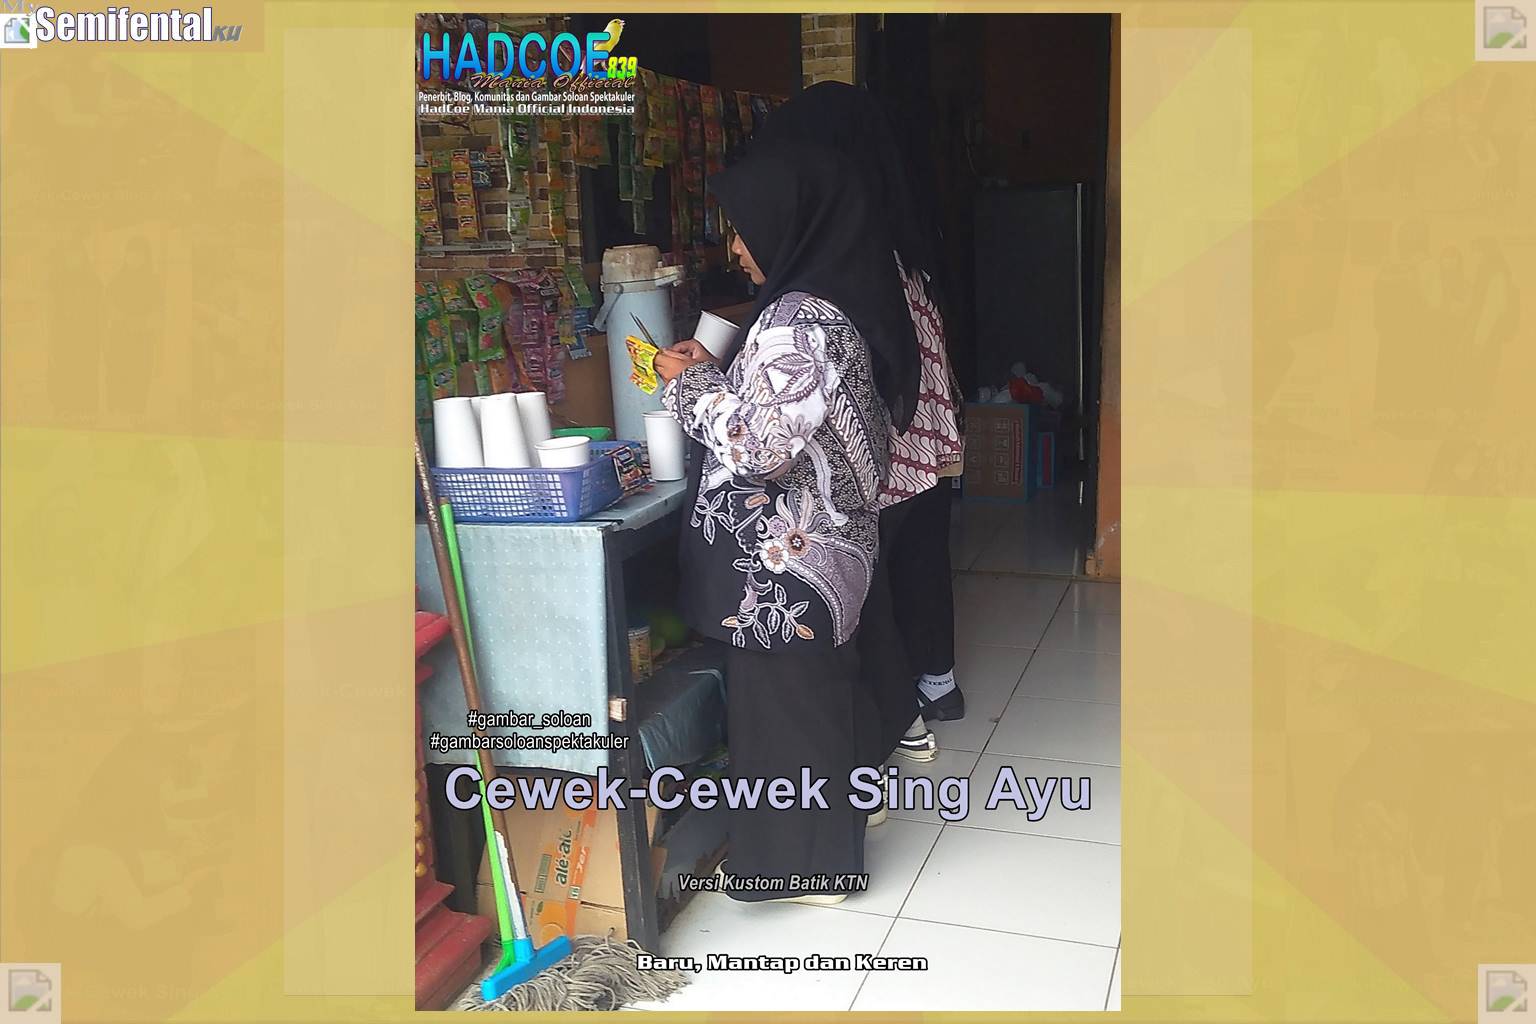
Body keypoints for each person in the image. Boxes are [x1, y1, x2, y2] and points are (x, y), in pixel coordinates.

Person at [654, 137, 920, 906]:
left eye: (743, 230)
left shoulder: (797, 322)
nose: (736, 249)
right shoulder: (831, 301)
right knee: (817, 704)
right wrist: (715, 375)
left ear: (786, 222)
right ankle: (837, 831)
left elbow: (763, 448)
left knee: (787, 716)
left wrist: (689, 385)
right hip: (828, 548)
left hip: (791, 565)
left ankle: (809, 871)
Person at [755, 82, 968, 743]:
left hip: (892, 431)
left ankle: (893, 714)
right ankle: (937, 682)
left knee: (868, 575)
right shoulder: (899, 225)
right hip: (928, 419)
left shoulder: (844, 241)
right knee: (922, 552)